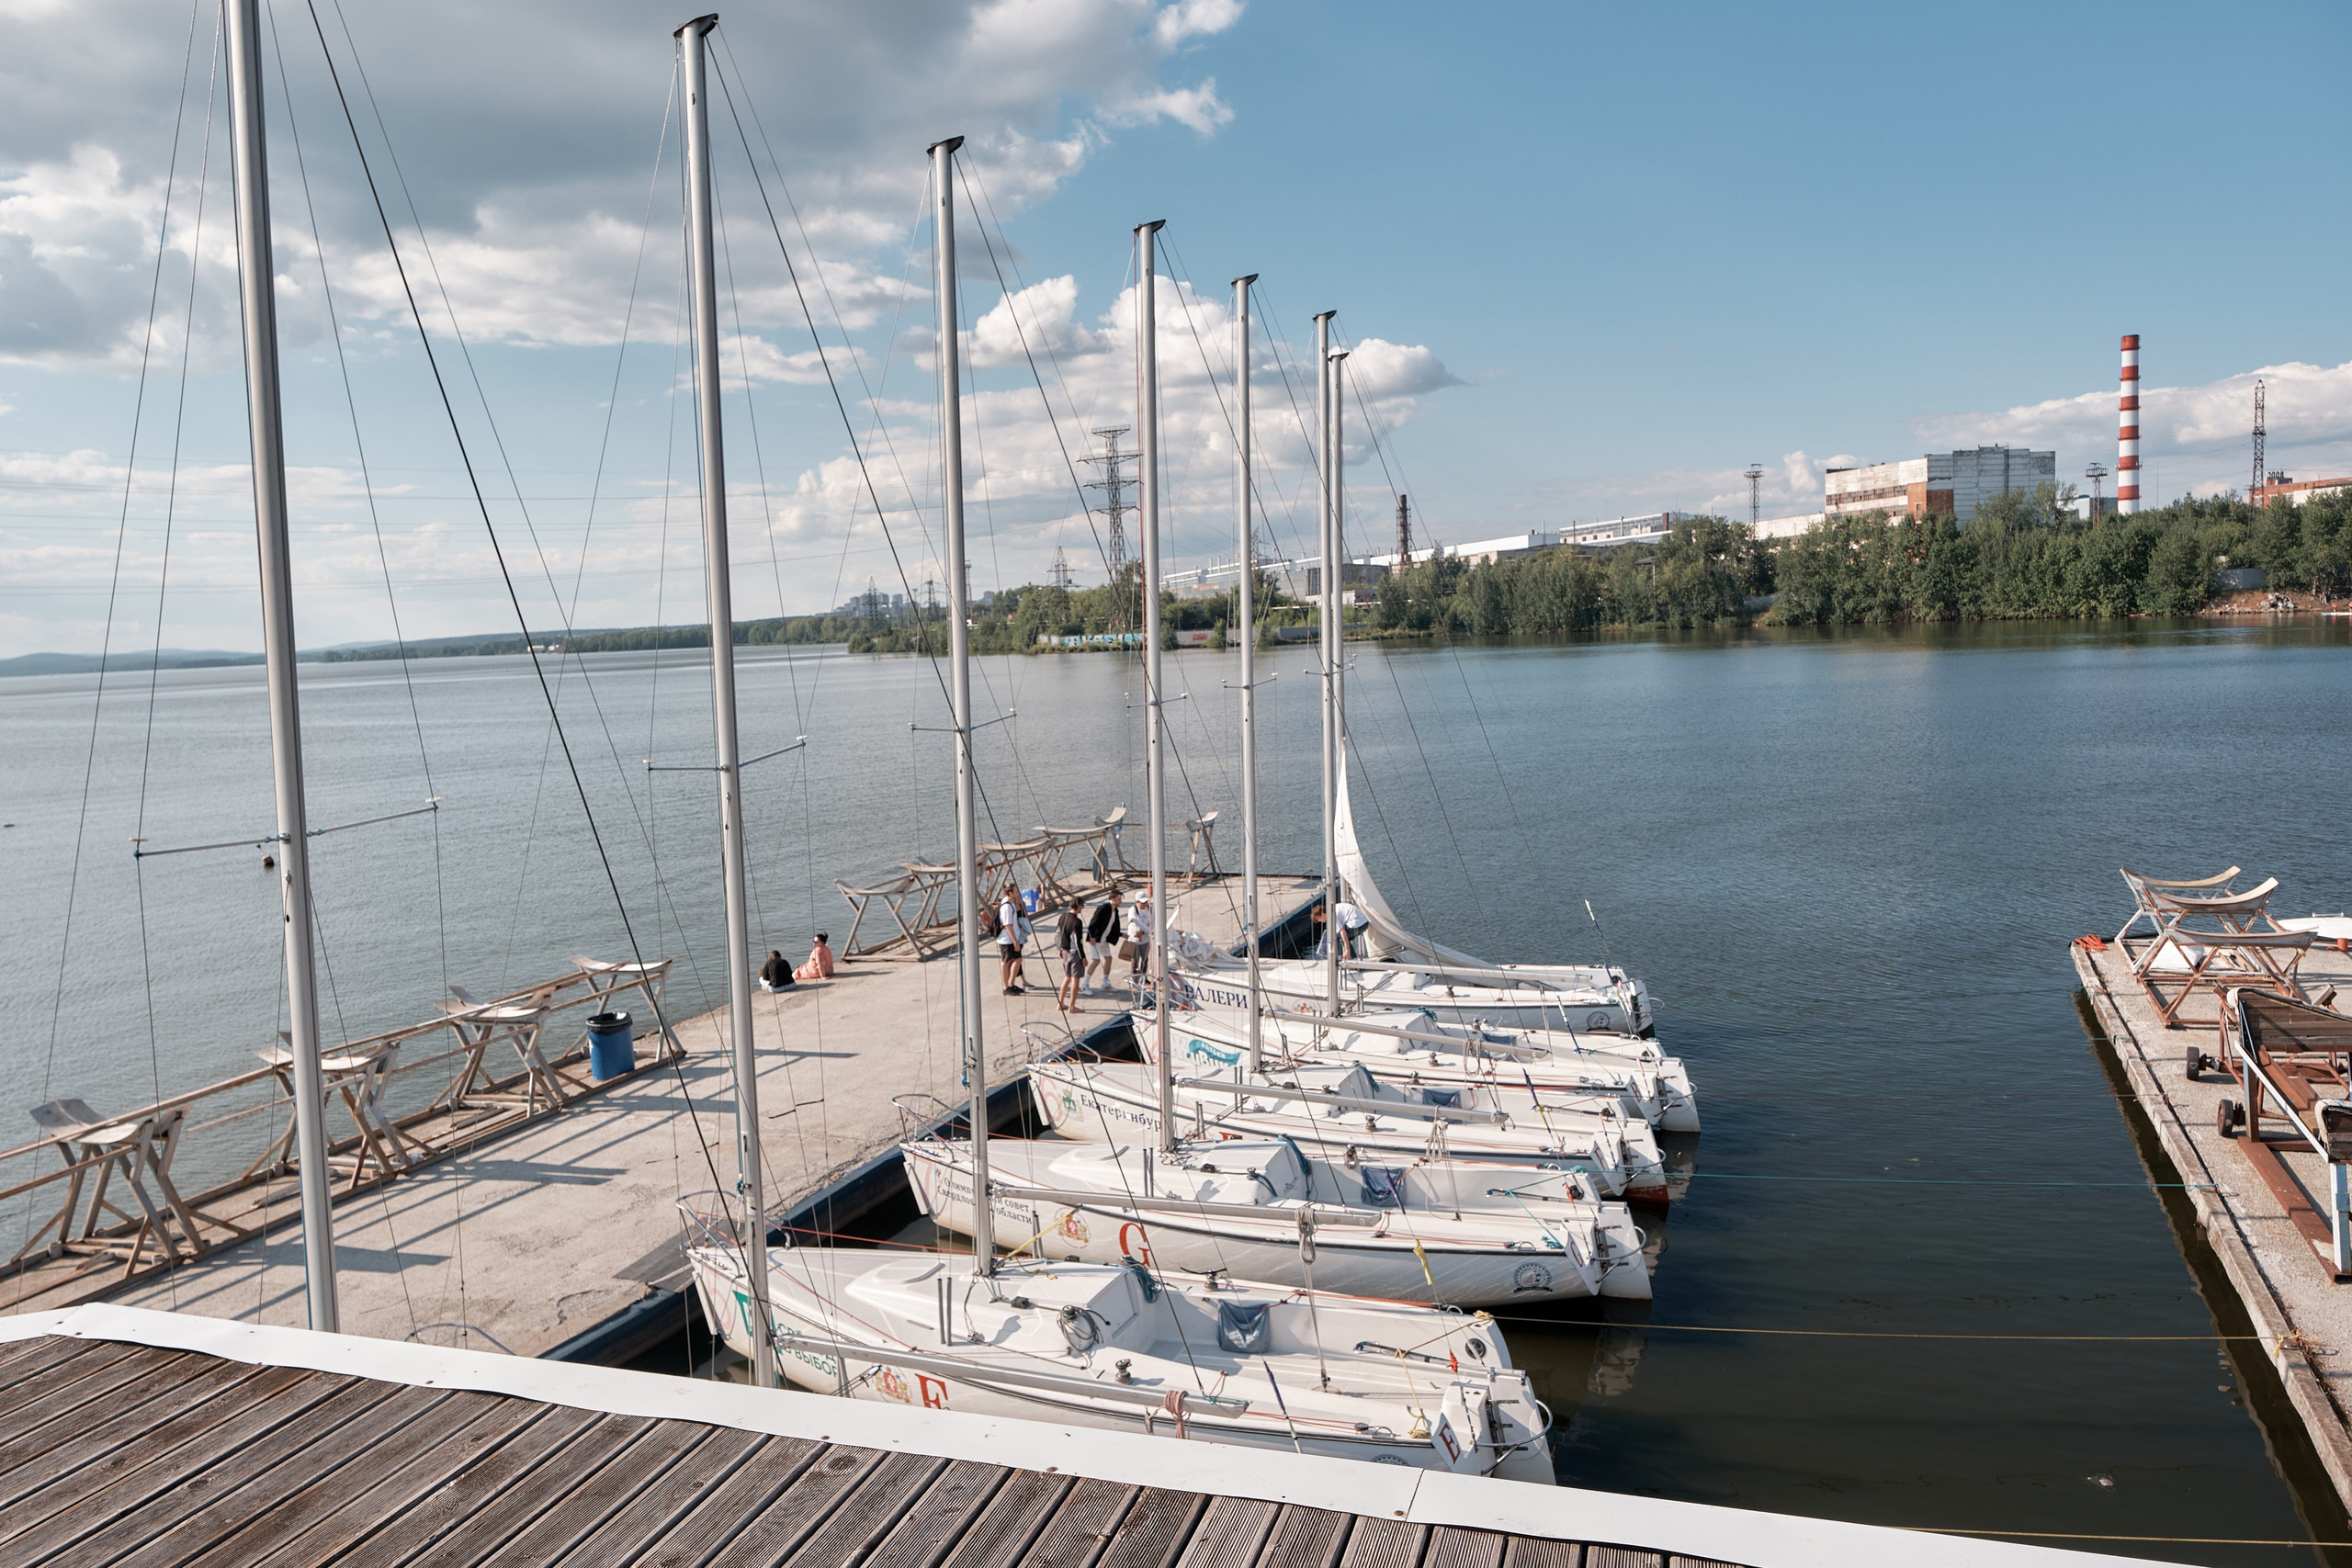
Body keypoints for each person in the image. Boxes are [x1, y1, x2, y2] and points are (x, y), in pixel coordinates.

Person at [1083, 887, 1123, 994]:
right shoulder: (1103, 908)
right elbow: (1093, 923)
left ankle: (1105, 983)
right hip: (1096, 939)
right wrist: (1092, 937)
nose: (1120, 901)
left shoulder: (1115, 911)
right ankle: (1085, 984)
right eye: (1119, 899)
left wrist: (1121, 934)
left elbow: (1113, 927)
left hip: (1104, 939)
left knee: (1108, 959)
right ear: (1112, 899)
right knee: (1096, 961)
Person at [1055, 897, 1087, 1012]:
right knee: (1075, 980)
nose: (1083, 908)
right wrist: (1083, 957)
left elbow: (1058, 934)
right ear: (1078, 906)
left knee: (1067, 977)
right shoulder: (1077, 922)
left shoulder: (1063, 916)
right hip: (1074, 953)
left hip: (1064, 951)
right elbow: (1078, 942)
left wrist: (1059, 948)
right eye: (1082, 905)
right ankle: (1072, 1007)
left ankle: (1060, 1003)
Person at [997, 885, 1028, 995]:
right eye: (1015, 891)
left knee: (1018, 959)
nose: (1017, 893)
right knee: (1006, 961)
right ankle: (1006, 987)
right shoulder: (1007, 907)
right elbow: (1007, 925)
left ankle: (1011, 984)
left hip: (1011, 938)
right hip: (1007, 939)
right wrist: (1015, 941)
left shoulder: (1011, 904)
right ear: (1010, 893)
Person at [1125, 889, 1153, 987]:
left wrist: (1144, 932)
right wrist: (1149, 931)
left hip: (1145, 939)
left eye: (1145, 902)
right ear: (1137, 902)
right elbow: (1137, 922)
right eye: (1142, 902)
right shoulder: (1133, 910)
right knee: (1135, 961)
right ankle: (1135, 981)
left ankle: (1144, 978)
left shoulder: (1150, 909)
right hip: (1134, 940)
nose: (1144, 904)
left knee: (1145, 960)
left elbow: (1152, 923)